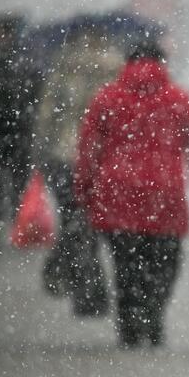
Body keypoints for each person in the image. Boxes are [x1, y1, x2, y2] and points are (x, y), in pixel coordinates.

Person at [74, 40, 189, 346]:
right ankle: (154, 313)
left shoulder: (107, 98)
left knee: (125, 264)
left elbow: (88, 147)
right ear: (162, 62)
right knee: (165, 262)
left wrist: (84, 187)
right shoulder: (178, 98)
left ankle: (130, 326)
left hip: (117, 193)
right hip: (165, 193)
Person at [35, 24, 124, 313]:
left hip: (64, 156)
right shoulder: (116, 71)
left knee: (74, 221)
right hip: (104, 159)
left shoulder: (62, 70)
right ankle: (88, 289)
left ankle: (84, 288)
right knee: (90, 224)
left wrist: (42, 153)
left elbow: (46, 118)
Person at [0, 12, 41, 300]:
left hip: (11, 140)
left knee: (10, 185)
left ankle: (2, 220)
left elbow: (33, 99)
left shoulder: (23, 62)